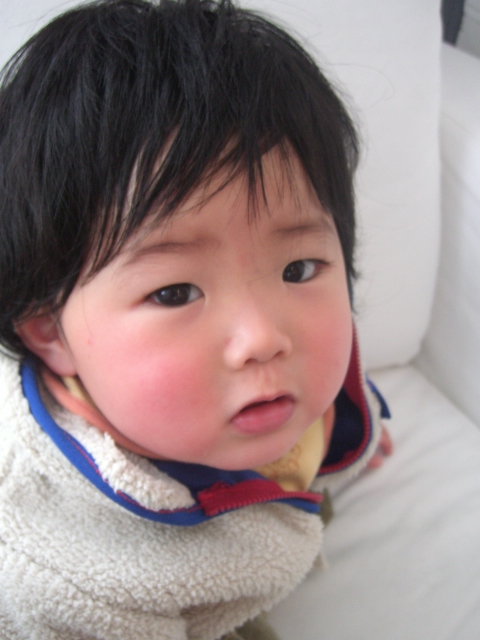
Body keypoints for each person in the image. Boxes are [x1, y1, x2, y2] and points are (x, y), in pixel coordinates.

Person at [0, 0, 392, 637]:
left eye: (298, 269)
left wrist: (351, 424)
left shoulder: (262, 377)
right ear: (49, 329)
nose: (264, 337)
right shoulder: (69, 578)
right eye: (176, 292)